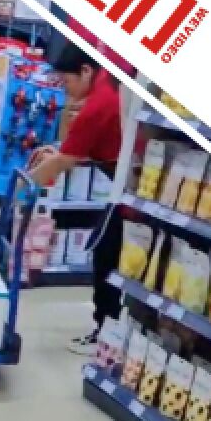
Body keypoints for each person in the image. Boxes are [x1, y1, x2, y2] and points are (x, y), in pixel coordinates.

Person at [27, 41, 123, 354]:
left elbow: (65, 161)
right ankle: (111, 330)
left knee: (106, 254)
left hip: (130, 194)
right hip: (124, 185)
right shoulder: (104, 87)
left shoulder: (97, 105)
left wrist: (22, 189)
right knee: (108, 252)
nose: (65, 89)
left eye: (67, 81)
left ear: (85, 71)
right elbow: (72, 149)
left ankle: (106, 335)